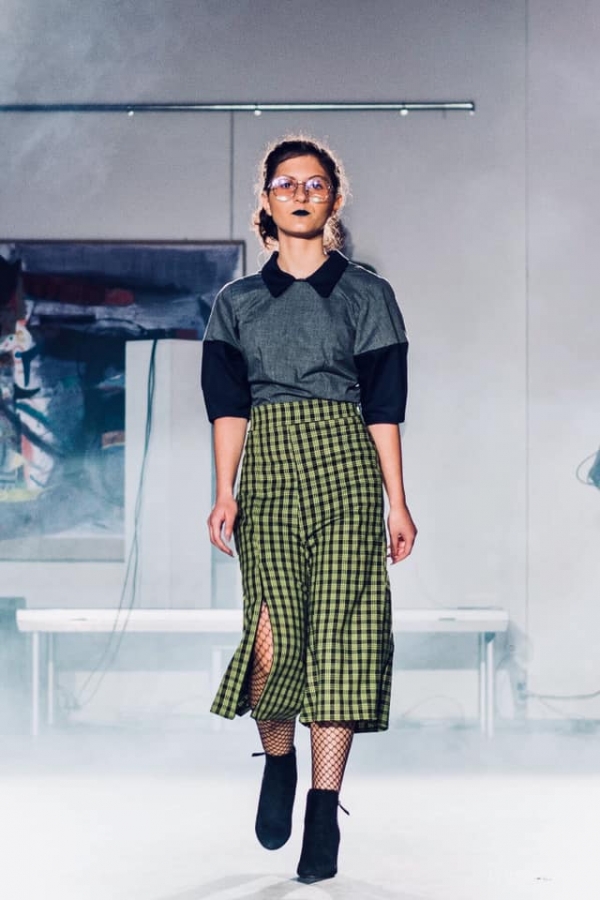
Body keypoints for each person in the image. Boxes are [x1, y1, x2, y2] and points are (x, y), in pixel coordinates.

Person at [201, 136, 416, 883]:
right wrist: (224, 490)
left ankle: (323, 809)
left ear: (334, 198)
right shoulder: (237, 303)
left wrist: (398, 502)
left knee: (342, 637)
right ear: (266, 200)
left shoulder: (366, 293)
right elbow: (227, 406)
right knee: (272, 637)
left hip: (346, 464)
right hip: (268, 463)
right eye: (286, 184)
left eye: (315, 183)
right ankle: (279, 759)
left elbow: (384, 406)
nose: (300, 194)